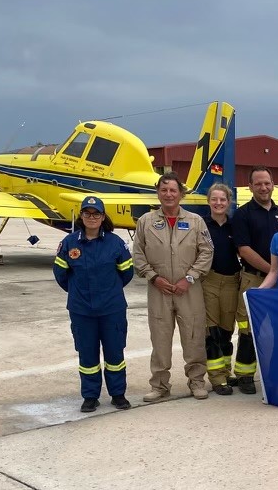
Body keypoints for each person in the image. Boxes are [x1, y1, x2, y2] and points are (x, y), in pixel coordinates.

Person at [133, 172, 214, 402]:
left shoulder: (196, 221)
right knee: (159, 337)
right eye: (164, 190)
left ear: (181, 194)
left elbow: (207, 252)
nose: (168, 194)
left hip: (189, 289)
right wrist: (152, 277)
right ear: (158, 193)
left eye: (173, 190)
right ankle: (159, 385)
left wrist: (189, 278)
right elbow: (138, 254)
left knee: (193, 335)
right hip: (159, 290)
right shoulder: (146, 222)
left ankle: (197, 381)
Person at [54, 196, 134, 412]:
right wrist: (79, 294)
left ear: (102, 216)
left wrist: (109, 292)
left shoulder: (115, 243)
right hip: (82, 311)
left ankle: (118, 394)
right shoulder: (69, 243)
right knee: (87, 355)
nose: (91, 217)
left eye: (96, 213)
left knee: (115, 354)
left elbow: (127, 272)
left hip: (112, 309)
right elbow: (61, 274)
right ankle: (90, 396)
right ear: (81, 216)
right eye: (87, 213)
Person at [230, 166, 278, 394]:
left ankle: (275, 371)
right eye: (259, 184)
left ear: (273, 184)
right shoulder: (243, 214)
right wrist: (272, 270)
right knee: (248, 327)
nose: (264, 187)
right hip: (253, 279)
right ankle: (244, 375)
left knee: (277, 327)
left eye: (267, 183)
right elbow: (244, 250)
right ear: (251, 186)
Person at [201, 183, 241, 396]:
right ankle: (216, 378)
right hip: (209, 281)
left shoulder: (235, 226)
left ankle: (225, 371)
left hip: (232, 281)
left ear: (229, 202)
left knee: (227, 330)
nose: (218, 203)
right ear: (208, 201)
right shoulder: (201, 225)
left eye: (223, 200)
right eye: (214, 199)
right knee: (212, 331)